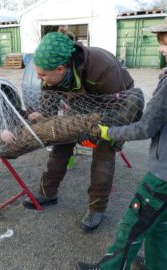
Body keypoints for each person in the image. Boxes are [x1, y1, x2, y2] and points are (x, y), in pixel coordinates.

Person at [76, 17, 167, 270]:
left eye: (165, 43)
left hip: (163, 176)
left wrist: (108, 133)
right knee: (161, 226)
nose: (161, 49)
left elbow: (145, 127)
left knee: (133, 223)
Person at [22, 31, 135, 233]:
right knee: (60, 144)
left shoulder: (102, 67)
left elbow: (120, 109)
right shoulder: (50, 76)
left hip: (114, 104)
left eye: (43, 75)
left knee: (103, 154)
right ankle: (48, 193)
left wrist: (115, 139)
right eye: (38, 74)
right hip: (81, 103)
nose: (40, 78)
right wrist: (43, 120)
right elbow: (48, 106)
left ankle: (96, 208)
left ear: (61, 68)